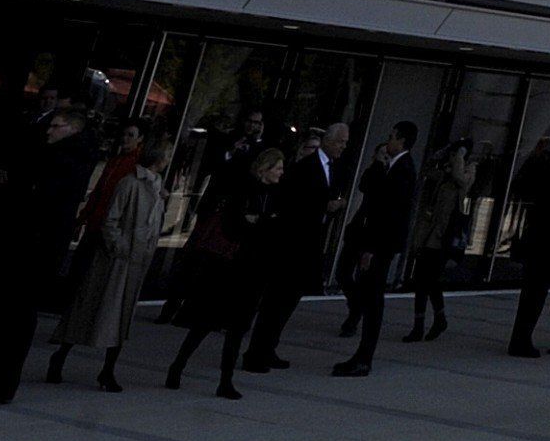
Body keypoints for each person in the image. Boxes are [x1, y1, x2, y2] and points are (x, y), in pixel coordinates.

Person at [0, 99, 99, 408]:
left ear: (72, 129)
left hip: (32, 248)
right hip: (33, 246)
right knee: (9, 314)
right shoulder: (66, 158)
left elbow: (37, 197)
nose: (49, 131)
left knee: (13, 317)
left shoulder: (63, 160)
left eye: (56, 126)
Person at [45, 128, 165, 393]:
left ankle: (107, 368)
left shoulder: (154, 186)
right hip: (117, 258)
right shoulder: (131, 183)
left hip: (134, 260)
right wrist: (119, 246)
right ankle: (65, 355)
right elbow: (112, 218)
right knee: (93, 307)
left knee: (119, 315)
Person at [168, 145, 284, 398]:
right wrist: (260, 223)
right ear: (265, 169)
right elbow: (235, 225)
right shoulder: (245, 191)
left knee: (236, 329)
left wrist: (259, 222)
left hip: (252, 271)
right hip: (229, 269)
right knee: (205, 323)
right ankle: (178, 365)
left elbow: (271, 228)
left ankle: (225, 380)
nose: (281, 172)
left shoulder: (274, 195)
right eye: (277, 168)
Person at [244, 121, 344, 372]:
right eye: (340, 142)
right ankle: (256, 353)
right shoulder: (306, 167)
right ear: (329, 141)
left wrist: (330, 207)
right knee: (276, 301)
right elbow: (293, 203)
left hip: (308, 243)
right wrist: (323, 206)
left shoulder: (331, 168)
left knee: (287, 301)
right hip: (292, 244)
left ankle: (268, 348)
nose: (343, 147)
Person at [332, 120, 418, 375]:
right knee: (369, 295)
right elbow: (371, 191)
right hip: (375, 239)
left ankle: (364, 357)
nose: (388, 141)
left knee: (373, 299)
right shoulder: (393, 166)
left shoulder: (403, 170)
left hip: (380, 245)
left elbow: (390, 214)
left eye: (392, 137)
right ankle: (362, 355)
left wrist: (372, 249)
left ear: (401, 141)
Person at [404, 138, 473, 342]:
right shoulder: (443, 173)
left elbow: (460, 179)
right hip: (429, 235)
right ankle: (421, 325)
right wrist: (440, 155)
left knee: (431, 280)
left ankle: (437, 319)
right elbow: (426, 172)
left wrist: (460, 155)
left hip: (445, 237)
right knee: (422, 280)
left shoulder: (467, 171)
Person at [508, 155, 550, 357]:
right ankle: (521, 341)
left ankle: (520, 339)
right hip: (542, 254)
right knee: (533, 300)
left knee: (530, 299)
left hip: (538, 252)